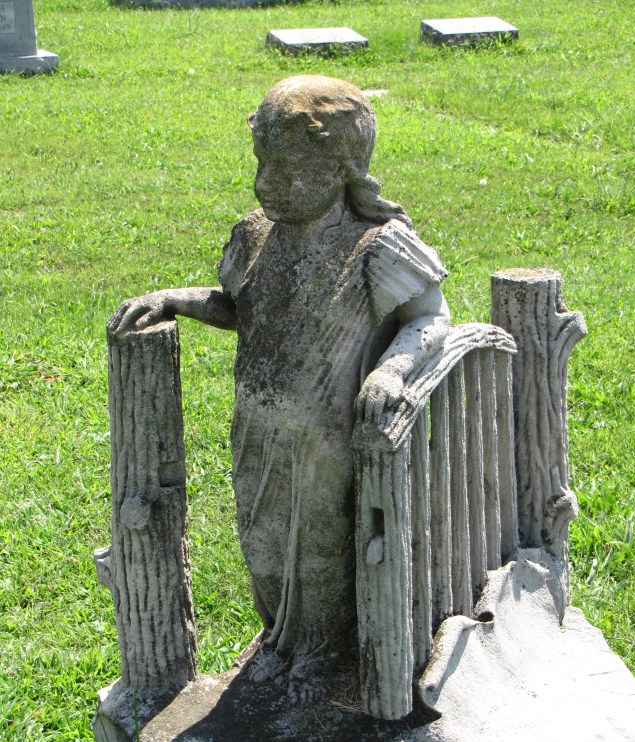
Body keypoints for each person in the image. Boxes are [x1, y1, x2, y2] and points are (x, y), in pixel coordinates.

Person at [108, 75, 450, 705]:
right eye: (262, 163)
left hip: (327, 441)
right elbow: (242, 306)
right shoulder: (255, 236)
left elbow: (430, 319)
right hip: (258, 432)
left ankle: (323, 655)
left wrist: (392, 370)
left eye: (288, 167)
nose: (268, 182)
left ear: (343, 167)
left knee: (321, 549)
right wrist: (176, 300)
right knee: (260, 539)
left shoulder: (374, 245)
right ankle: (280, 639)